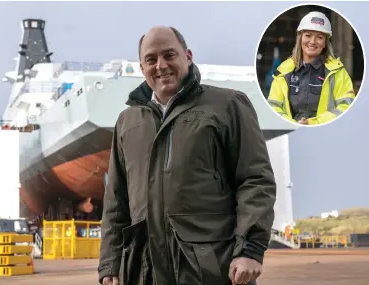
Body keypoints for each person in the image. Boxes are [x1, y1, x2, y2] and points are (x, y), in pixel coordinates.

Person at [98, 26, 277, 285]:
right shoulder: (128, 122)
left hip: (211, 270)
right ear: (141, 67)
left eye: (169, 55)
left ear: (188, 56)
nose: (161, 65)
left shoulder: (227, 105)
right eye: (151, 59)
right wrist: (110, 264)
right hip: (145, 272)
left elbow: (255, 180)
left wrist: (250, 250)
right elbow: (116, 199)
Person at [267, 11, 355, 126]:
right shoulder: (283, 72)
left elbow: (346, 107)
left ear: (325, 43)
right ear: (300, 38)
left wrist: (313, 123)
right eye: (308, 35)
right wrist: (293, 124)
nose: (312, 42)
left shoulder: (338, 73)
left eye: (319, 37)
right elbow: (273, 106)